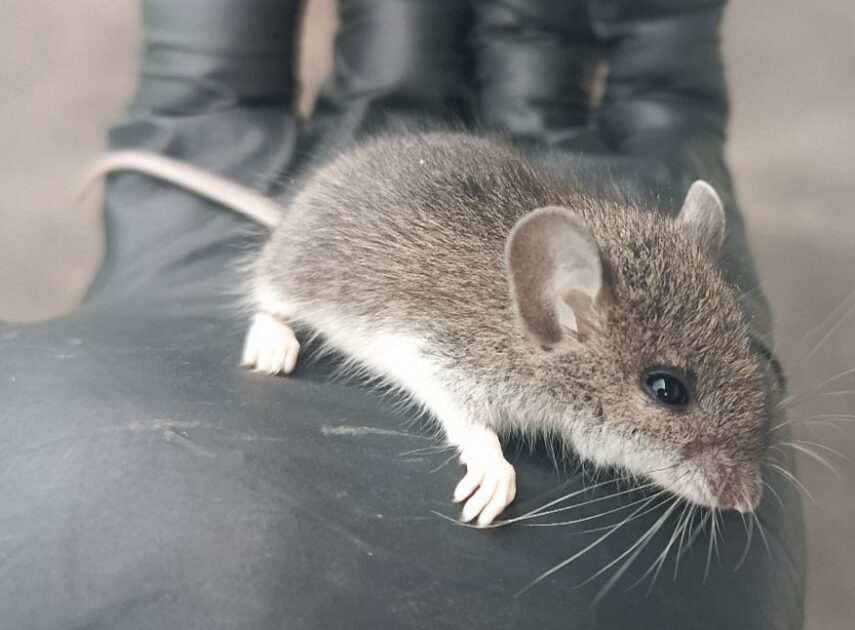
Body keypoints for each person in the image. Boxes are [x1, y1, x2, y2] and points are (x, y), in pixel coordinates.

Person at [0, 1, 804, 628]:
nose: (740, 490)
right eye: (667, 390)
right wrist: (480, 444)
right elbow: (431, 355)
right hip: (336, 241)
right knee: (287, 287)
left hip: (467, 191)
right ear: (563, 316)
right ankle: (271, 310)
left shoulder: (602, 322)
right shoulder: (513, 339)